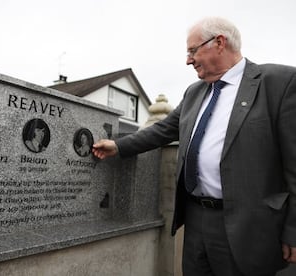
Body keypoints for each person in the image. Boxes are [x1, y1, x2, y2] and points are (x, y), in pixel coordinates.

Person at [92, 17, 296, 276]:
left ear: (219, 42)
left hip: (250, 225)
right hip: (196, 218)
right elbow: (163, 130)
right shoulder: (194, 92)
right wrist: (119, 147)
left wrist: (294, 230)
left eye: (193, 50)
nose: (188, 60)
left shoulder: (279, 82)